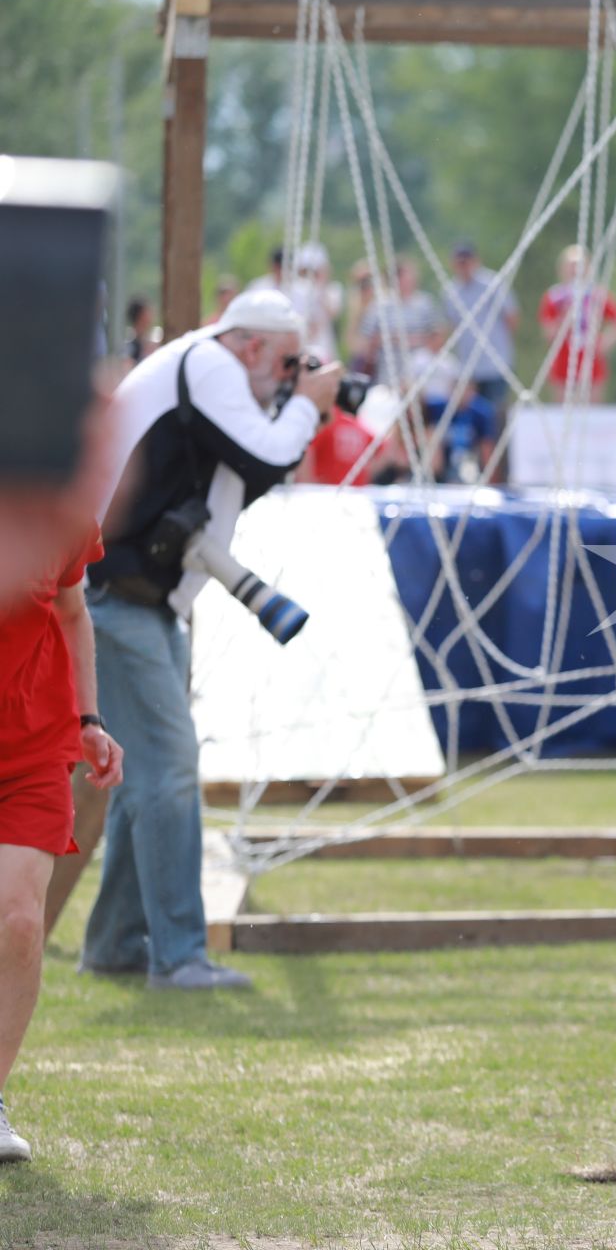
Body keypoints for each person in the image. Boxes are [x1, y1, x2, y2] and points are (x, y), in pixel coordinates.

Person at [82, 288, 340, 990]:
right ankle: (178, 957)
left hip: (135, 598)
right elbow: (264, 456)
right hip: (118, 597)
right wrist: (310, 404)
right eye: (287, 361)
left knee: (148, 779)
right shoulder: (213, 363)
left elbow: (247, 474)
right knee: (168, 774)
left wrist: (298, 404)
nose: (290, 375)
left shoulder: (207, 367)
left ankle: (114, 944)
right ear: (250, 345)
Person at [0, 532, 125, 1162]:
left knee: (20, 920)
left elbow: (73, 610)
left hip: (33, 744)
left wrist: (90, 721)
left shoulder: (65, 504)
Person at [538, 245, 616, 403]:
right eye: (571, 265)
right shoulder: (554, 297)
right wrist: (564, 316)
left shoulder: (597, 294)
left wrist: (605, 343)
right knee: (562, 410)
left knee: (593, 412)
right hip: (563, 363)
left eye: (580, 265)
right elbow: (548, 333)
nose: (575, 270)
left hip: (592, 362)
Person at [444, 239, 520, 409]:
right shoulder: (450, 290)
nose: (464, 266)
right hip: (468, 365)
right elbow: (452, 324)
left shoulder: (492, 283)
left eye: (467, 260)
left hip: (495, 363)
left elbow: (511, 317)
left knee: (496, 411)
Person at [357, 256, 442, 389]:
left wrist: (403, 340)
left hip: (421, 371)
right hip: (388, 371)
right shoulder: (379, 306)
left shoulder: (425, 303)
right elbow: (367, 341)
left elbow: (436, 337)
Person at [123, 296, 156, 365]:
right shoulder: (131, 346)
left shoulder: (149, 341)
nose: (151, 317)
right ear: (140, 317)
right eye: (147, 313)